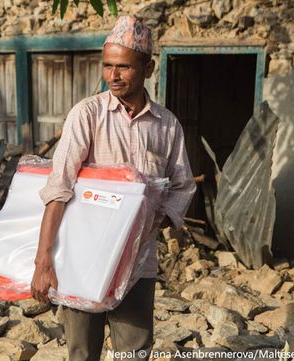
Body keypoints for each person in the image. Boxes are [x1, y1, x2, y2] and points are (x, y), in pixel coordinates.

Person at [30, 16, 196, 361]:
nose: (113, 76)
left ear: (148, 68)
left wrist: (153, 224)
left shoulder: (166, 126)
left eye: (123, 67)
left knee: (134, 352)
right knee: (81, 352)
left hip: (138, 264)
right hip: (81, 259)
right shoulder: (87, 115)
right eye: (107, 66)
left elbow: (182, 186)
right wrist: (44, 260)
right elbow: (58, 187)